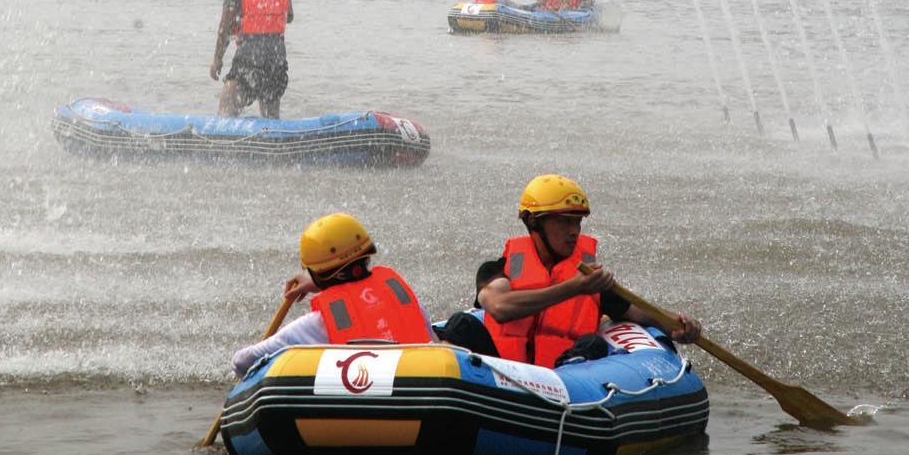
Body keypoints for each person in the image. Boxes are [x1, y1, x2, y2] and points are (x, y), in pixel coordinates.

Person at [476, 174, 702, 368]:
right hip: (500, 374)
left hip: (562, 383)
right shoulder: (497, 271)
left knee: (593, 344)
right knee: (462, 325)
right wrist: (574, 288)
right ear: (534, 222)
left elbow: (639, 312)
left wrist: (678, 326)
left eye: (578, 222)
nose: (574, 231)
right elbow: (500, 307)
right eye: (565, 222)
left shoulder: (591, 282)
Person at [231, 213, 435, 376]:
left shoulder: (315, 325)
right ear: (366, 256)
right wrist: (323, 285)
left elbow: (242, 362)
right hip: (423, 384)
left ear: (317, 273)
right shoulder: (405, 299)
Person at [210, 0, 292, 118]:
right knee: (271, 114)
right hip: (277, 54)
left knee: (227, 106)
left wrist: (217, 60)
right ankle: (274, 134)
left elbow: (225, 28)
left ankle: (221, 135)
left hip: (250, 53)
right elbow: (289, 16)